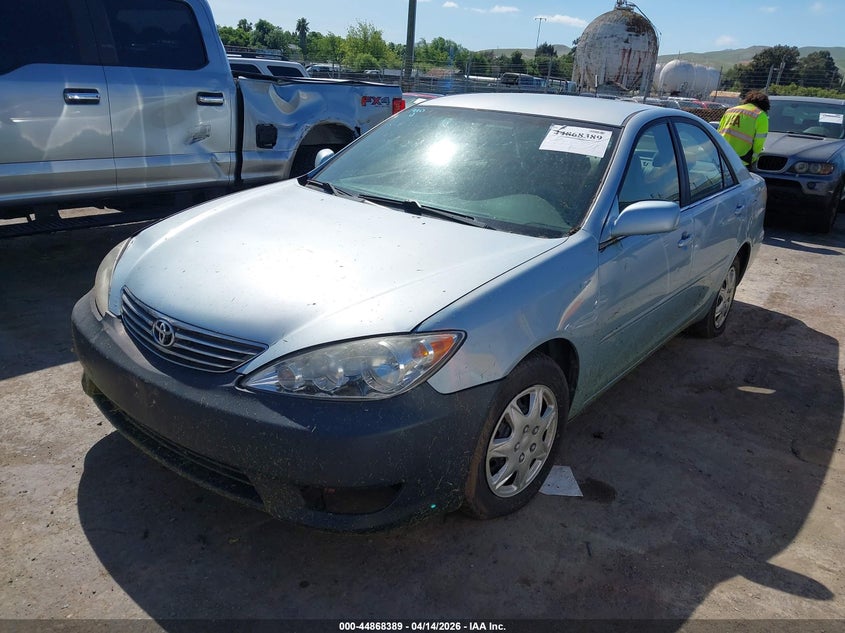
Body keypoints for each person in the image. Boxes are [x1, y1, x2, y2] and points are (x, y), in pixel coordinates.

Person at [717, 91, 770, 167]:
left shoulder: (730, 111)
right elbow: (759, 142)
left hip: (722, 155)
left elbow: (719, 131)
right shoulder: (760, 115)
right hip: (741, 159)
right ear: (765, 105)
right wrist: (754, 158)